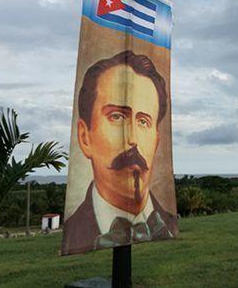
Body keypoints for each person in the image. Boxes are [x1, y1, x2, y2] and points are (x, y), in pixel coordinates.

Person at [62, 50, 177, 255]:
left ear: (157, 140)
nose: (132, 139)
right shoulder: (75, 232)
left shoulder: (169, 223)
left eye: (143, 121)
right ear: (84, 136)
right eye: (117, 117)